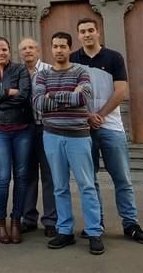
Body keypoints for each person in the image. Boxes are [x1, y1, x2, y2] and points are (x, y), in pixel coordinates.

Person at [70, 18, 143, 245]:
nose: (87, 35)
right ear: (78, 35)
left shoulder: (114, 57)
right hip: (84, 127)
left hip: (111, 126)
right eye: (82, 31)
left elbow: (121, 91)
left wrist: (101, 115)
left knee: (122, 177)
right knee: (90, 179)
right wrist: (88, 115)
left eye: (90, 30)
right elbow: (70, 91)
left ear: (98, 32)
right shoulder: (73, 59)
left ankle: (130, 223)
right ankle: (96, 222)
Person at [34, 32, 105, 255]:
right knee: (59, 186)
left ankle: (94, 232)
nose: (58, 50)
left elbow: (83, 98)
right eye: (55, 46)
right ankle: (64, 231)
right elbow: (38, 103)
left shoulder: (80, 71)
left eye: (63, 46)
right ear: (51, 49)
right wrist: (68, 96)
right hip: (52, 136)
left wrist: (53, 96)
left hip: (79, 137)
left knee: (86, 185)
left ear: (69, 48)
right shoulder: (42, 75)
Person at [0, 37, 32, 244]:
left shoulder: (20, 70)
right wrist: (8, 93)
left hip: (22, 130)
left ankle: (16, 221)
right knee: (2, 177)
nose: (1, 53)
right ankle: (0, 223)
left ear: (9, 51)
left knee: (20, 176)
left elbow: (25, 96)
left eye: (4, 50)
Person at [18, 37, 57, 237]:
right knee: (27, 174)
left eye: (31, 48)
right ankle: (28, 218)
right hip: (25, 128)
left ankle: (51, 220)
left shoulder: (50, 70)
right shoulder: (17, 72)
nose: (27, 51)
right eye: (24, 49)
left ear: (38, 50)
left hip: (47, 128)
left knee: (49, 175)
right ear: (19, 53)